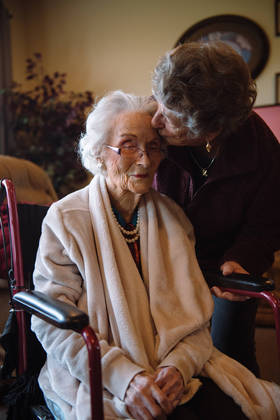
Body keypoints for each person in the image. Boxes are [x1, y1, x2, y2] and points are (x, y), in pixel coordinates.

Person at [31, 91, 280, 420]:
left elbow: (196, 320)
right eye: (129, 145)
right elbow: (52, 324)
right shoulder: (66, 219)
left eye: (153, 147)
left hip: (171, 369)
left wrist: (178, 369)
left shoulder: (174, 219)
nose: (145, 161)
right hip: (97, 373)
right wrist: (127, 378)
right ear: (99, 152)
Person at [151, 40, 280, 376]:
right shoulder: (150, 131)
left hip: (225, 268)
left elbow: (266, 225)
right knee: (165, 358)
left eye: (168, 116)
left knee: (232, 359)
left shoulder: (262, 150)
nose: (155, 120)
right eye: (158, 104)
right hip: (161, 264)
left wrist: (242, 261)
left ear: (211, 129)